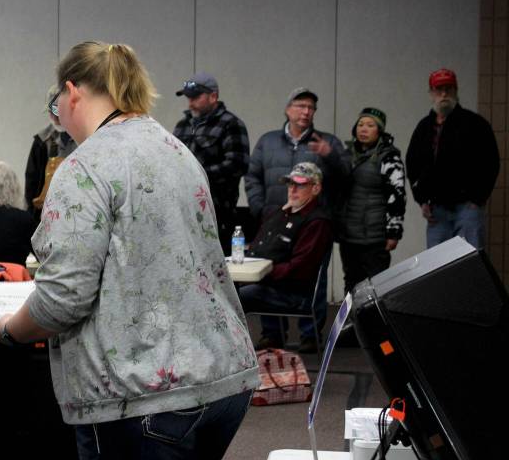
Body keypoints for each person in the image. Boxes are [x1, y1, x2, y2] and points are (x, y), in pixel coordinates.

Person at [0, 41, 258, 460]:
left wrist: (7, 328)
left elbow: (60, 301)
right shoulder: (174, 149)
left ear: (71, 92)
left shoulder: (84, 167)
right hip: (221, 379)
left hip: (142, 397)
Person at [238, 162, 333, 353]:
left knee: (237, 296)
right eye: (290, 184)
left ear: (315, 188)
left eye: (300, 185)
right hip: (273, 284)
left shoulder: (317, 221)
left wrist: (264, 272)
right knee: (229, 289)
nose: (293, 189)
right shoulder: (280, 212)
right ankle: (270, 337)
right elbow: (257, 247)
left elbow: (300, 268)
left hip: (294, 293)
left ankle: (235, 352)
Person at [406, 68, 500, 250]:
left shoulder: (475, 124)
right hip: (436, 211)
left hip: (467, 207)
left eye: (448, 89)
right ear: (431, 93)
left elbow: (491, 162)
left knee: (469, 262)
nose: (443, 94)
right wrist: (422, 199)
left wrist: (477, 198)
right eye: (439, 89)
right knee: (436, 267)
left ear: (456, 91)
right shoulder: (424, 128)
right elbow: (413, 164)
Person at [172, 71, 250, 252]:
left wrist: (197, 175)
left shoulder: (231, 124)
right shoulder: (182, 126)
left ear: (213, 96)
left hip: (218, 213)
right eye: (188, 97)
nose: (190, 102)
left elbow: (238, 164)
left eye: (196, 97)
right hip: (183, 212)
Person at [245, 87, 349, 221]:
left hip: (314, 223)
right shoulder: (267, 141)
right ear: (287, 110)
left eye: (311, 108)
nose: (306, 112)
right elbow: (252, 177)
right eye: (301, 106)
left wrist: (330, 155)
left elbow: (346, 177)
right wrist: (259, 209)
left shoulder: (329, 142)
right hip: (273, 218)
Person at [336, 107, 406, 295]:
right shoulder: (347, 155)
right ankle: (351, 323)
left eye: (370, 125)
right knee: (351, 283)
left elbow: (397, 195)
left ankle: (374, 325)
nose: (363, 129)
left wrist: (394, 232)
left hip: (375, 238)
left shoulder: (389, 157)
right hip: (349, 236)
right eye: (360, 124)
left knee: (376, 287)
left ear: (380, 130)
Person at [24, 84, 78, 225]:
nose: (53, 117)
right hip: (45, 215)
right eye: (51, 111)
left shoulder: (83, 138)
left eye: (57, 112)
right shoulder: (41, 141)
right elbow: (31, 181)